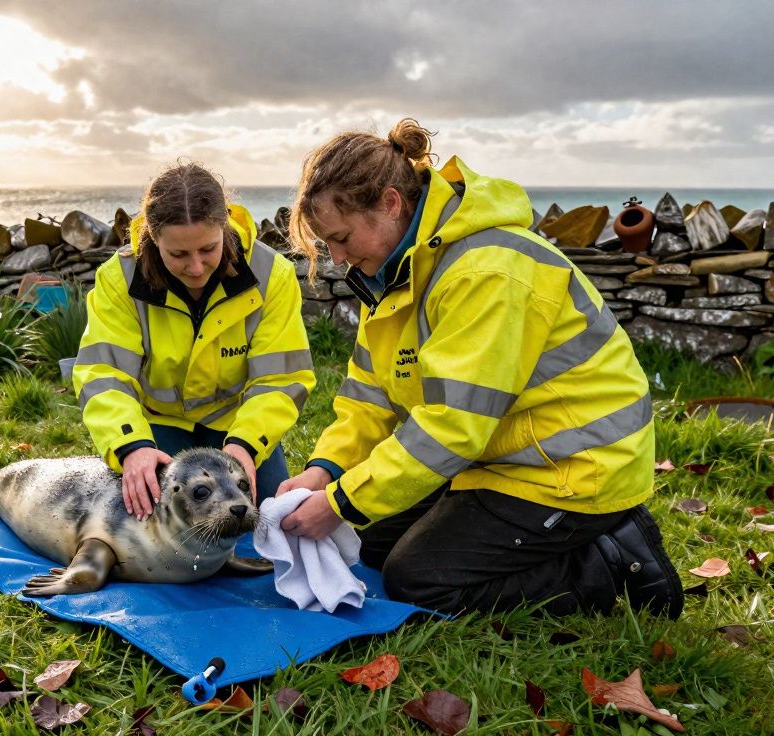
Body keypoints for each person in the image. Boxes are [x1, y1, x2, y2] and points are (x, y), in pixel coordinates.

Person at [276, 119, 683, 618]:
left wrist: (338, 505)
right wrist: (324, 472)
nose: (337, 259)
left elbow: (452, 427)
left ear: (389, 203)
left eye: (340, 238)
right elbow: (368, 395)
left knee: (417, 581)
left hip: (576, 469)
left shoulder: (486, 271)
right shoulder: (394, 270)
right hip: (503, 459)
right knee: (376, 547)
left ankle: (612, 559)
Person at [74, 162, 316, 519]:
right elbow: (104, 373)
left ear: (225, 227)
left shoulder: (272, 276)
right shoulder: (118, 278)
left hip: (238, 428)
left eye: (208, 248)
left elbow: (280, 380)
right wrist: (131, 444)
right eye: (178, 254)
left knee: (266, 519)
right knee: (153, 521)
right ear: (154, 241)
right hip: (157, 427)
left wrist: (246, 445)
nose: (197, 267)